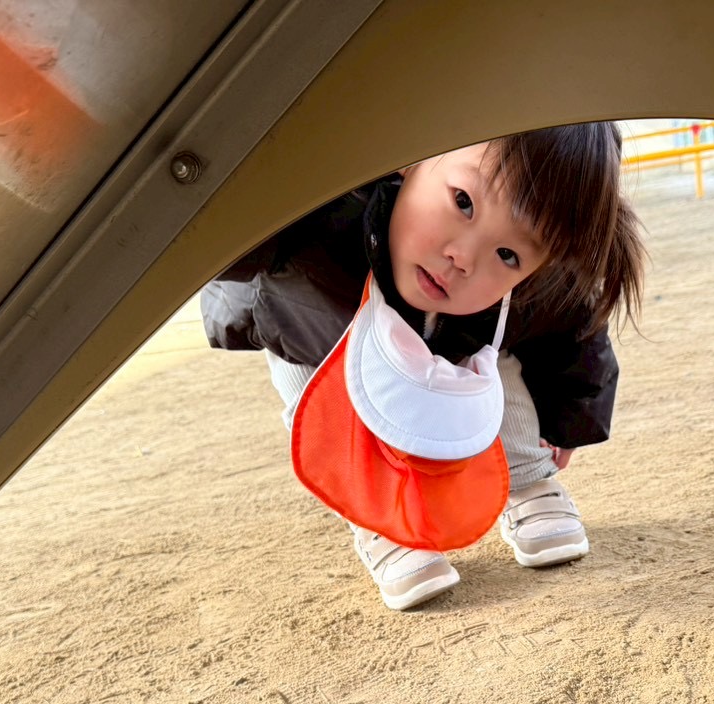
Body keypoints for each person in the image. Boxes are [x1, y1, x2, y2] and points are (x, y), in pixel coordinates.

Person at [201, 123, 645, 610]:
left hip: (455, 335)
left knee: (495, 353)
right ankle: (381, 519)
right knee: (321, 386)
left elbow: (572, 329)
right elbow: (221, 218)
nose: (462, 257)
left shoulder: (535, 288)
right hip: (313, 331)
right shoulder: (319, 213)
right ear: (414, 153)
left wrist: (566, 423)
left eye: (508, 254)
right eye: (463, 202)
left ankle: (527, 476)